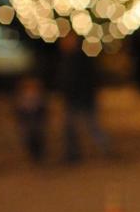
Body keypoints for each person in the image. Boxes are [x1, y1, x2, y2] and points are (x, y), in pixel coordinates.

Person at [57, 32, 112, 162]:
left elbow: (88, 79)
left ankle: (106, 148)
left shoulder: (81, 59)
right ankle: (72, 154)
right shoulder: (65, 59)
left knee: (92, 126)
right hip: (72, 99)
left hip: (84, 98)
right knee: (70, 128)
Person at [12, 74, 48, 164]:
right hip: (27, 120)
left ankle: (39, 154)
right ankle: (33, 154)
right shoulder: (21, 97)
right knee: (29, 138)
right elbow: (18, 110)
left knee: (38, 137)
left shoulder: (39, 96)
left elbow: (43, 109)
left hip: (36, 120)